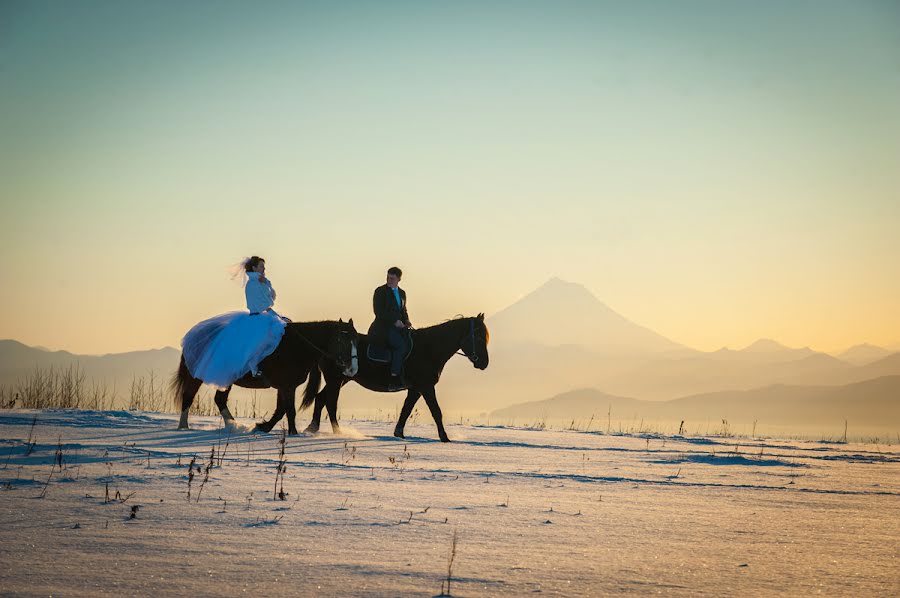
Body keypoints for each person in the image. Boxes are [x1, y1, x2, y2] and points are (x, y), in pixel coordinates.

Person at [181, 256, 288, 389]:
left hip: (264, 316)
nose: (264, 269)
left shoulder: (260, 282)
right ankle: (254, 367)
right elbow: (265, 303)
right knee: (259, 342)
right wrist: (274, 312)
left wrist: (266, 282)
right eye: (261, 266)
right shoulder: (253, 284)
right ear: (254, 268)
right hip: (258, 318)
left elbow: (270, 297)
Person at [367, 266, 412, 381]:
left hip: (399, 327)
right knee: (400, 346)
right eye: (388, 278)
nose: (389, 280)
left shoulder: (402, 293)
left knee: (412, 341)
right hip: (383, 328)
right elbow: (378, 311)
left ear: (398, 279)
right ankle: (394, 375)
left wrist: (406, 320)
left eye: (392, 279)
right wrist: (394, 321)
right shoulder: (380, 291)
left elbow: (403, 310)